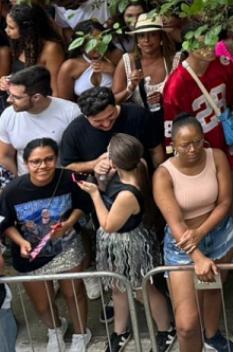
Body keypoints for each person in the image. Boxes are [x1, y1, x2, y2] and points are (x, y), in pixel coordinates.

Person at [75, 133, 173, 352]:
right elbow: (106, 189)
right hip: (115, 244)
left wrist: (94, 195)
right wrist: (100, 178)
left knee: (142, 290)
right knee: (117, 288)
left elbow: (108, 224)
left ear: (115, 161)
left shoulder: (128, 194)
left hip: (127, 244)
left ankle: (166, 330)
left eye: (108, 153)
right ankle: (120, 332)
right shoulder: (133, 167)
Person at [153, 116, 233, 352]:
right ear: (173, 144)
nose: (193, 149)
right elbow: (175, 223)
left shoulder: (217, 157)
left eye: (198, 142)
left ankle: (212, 334)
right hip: (183, 245)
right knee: (187, 324)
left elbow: (225, 202)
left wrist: (201, 231)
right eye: (185, 145)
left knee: (213, 290)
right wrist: (198, 257)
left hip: (219, 234)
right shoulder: (163, 175)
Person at [0, 138, 91, 352]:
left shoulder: (69, 178)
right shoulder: (12, 191)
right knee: (42, 303)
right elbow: (5, 223)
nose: (43, 166)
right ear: (26, 163)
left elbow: (83, 205)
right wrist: (21, 241)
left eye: (49, 159)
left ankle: (81, 333)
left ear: (56, 159)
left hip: (66, 246)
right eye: (36, 161)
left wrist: (69, 223)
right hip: (31, 254)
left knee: (74, 293)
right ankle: (55, 330)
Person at [161, 43, 233, 223]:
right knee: (208, 204)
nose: (209, 45)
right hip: (199, 153)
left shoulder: (224, 65)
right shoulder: (176, 84)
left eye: (211, 38)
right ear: (187, 45)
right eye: (201, 42)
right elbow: (172, 130)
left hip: (226, 144)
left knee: (232, 202)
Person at [59, 85, 166, 174]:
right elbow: (68, 166)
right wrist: (94, 164)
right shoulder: (74, 132)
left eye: (111, 115)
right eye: (98, 121)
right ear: (86, 117)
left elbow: (156, 151)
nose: (106, 124)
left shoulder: (138, 115)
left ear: (115, 105)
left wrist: (159, 177)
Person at [0, 65, 80, 176]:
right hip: (25, 181)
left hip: (62, 180)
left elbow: (81, 154)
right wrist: (18, 182)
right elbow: (5, 156)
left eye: (16, 97)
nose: (9, 100)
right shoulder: (8, 115)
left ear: (36, 97)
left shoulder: (71, 113)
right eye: (9, 94)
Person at [111, 13, 177, 120]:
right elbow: (113, 101)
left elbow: (187, 94)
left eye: (152, 34)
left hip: (172, 120)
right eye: (141, 35)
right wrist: (130, 88)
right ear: (137, 39)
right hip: (140, 122)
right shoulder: (127, 61)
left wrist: (165, 98)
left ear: (161, 37)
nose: (146, 40)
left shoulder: (174, 60)